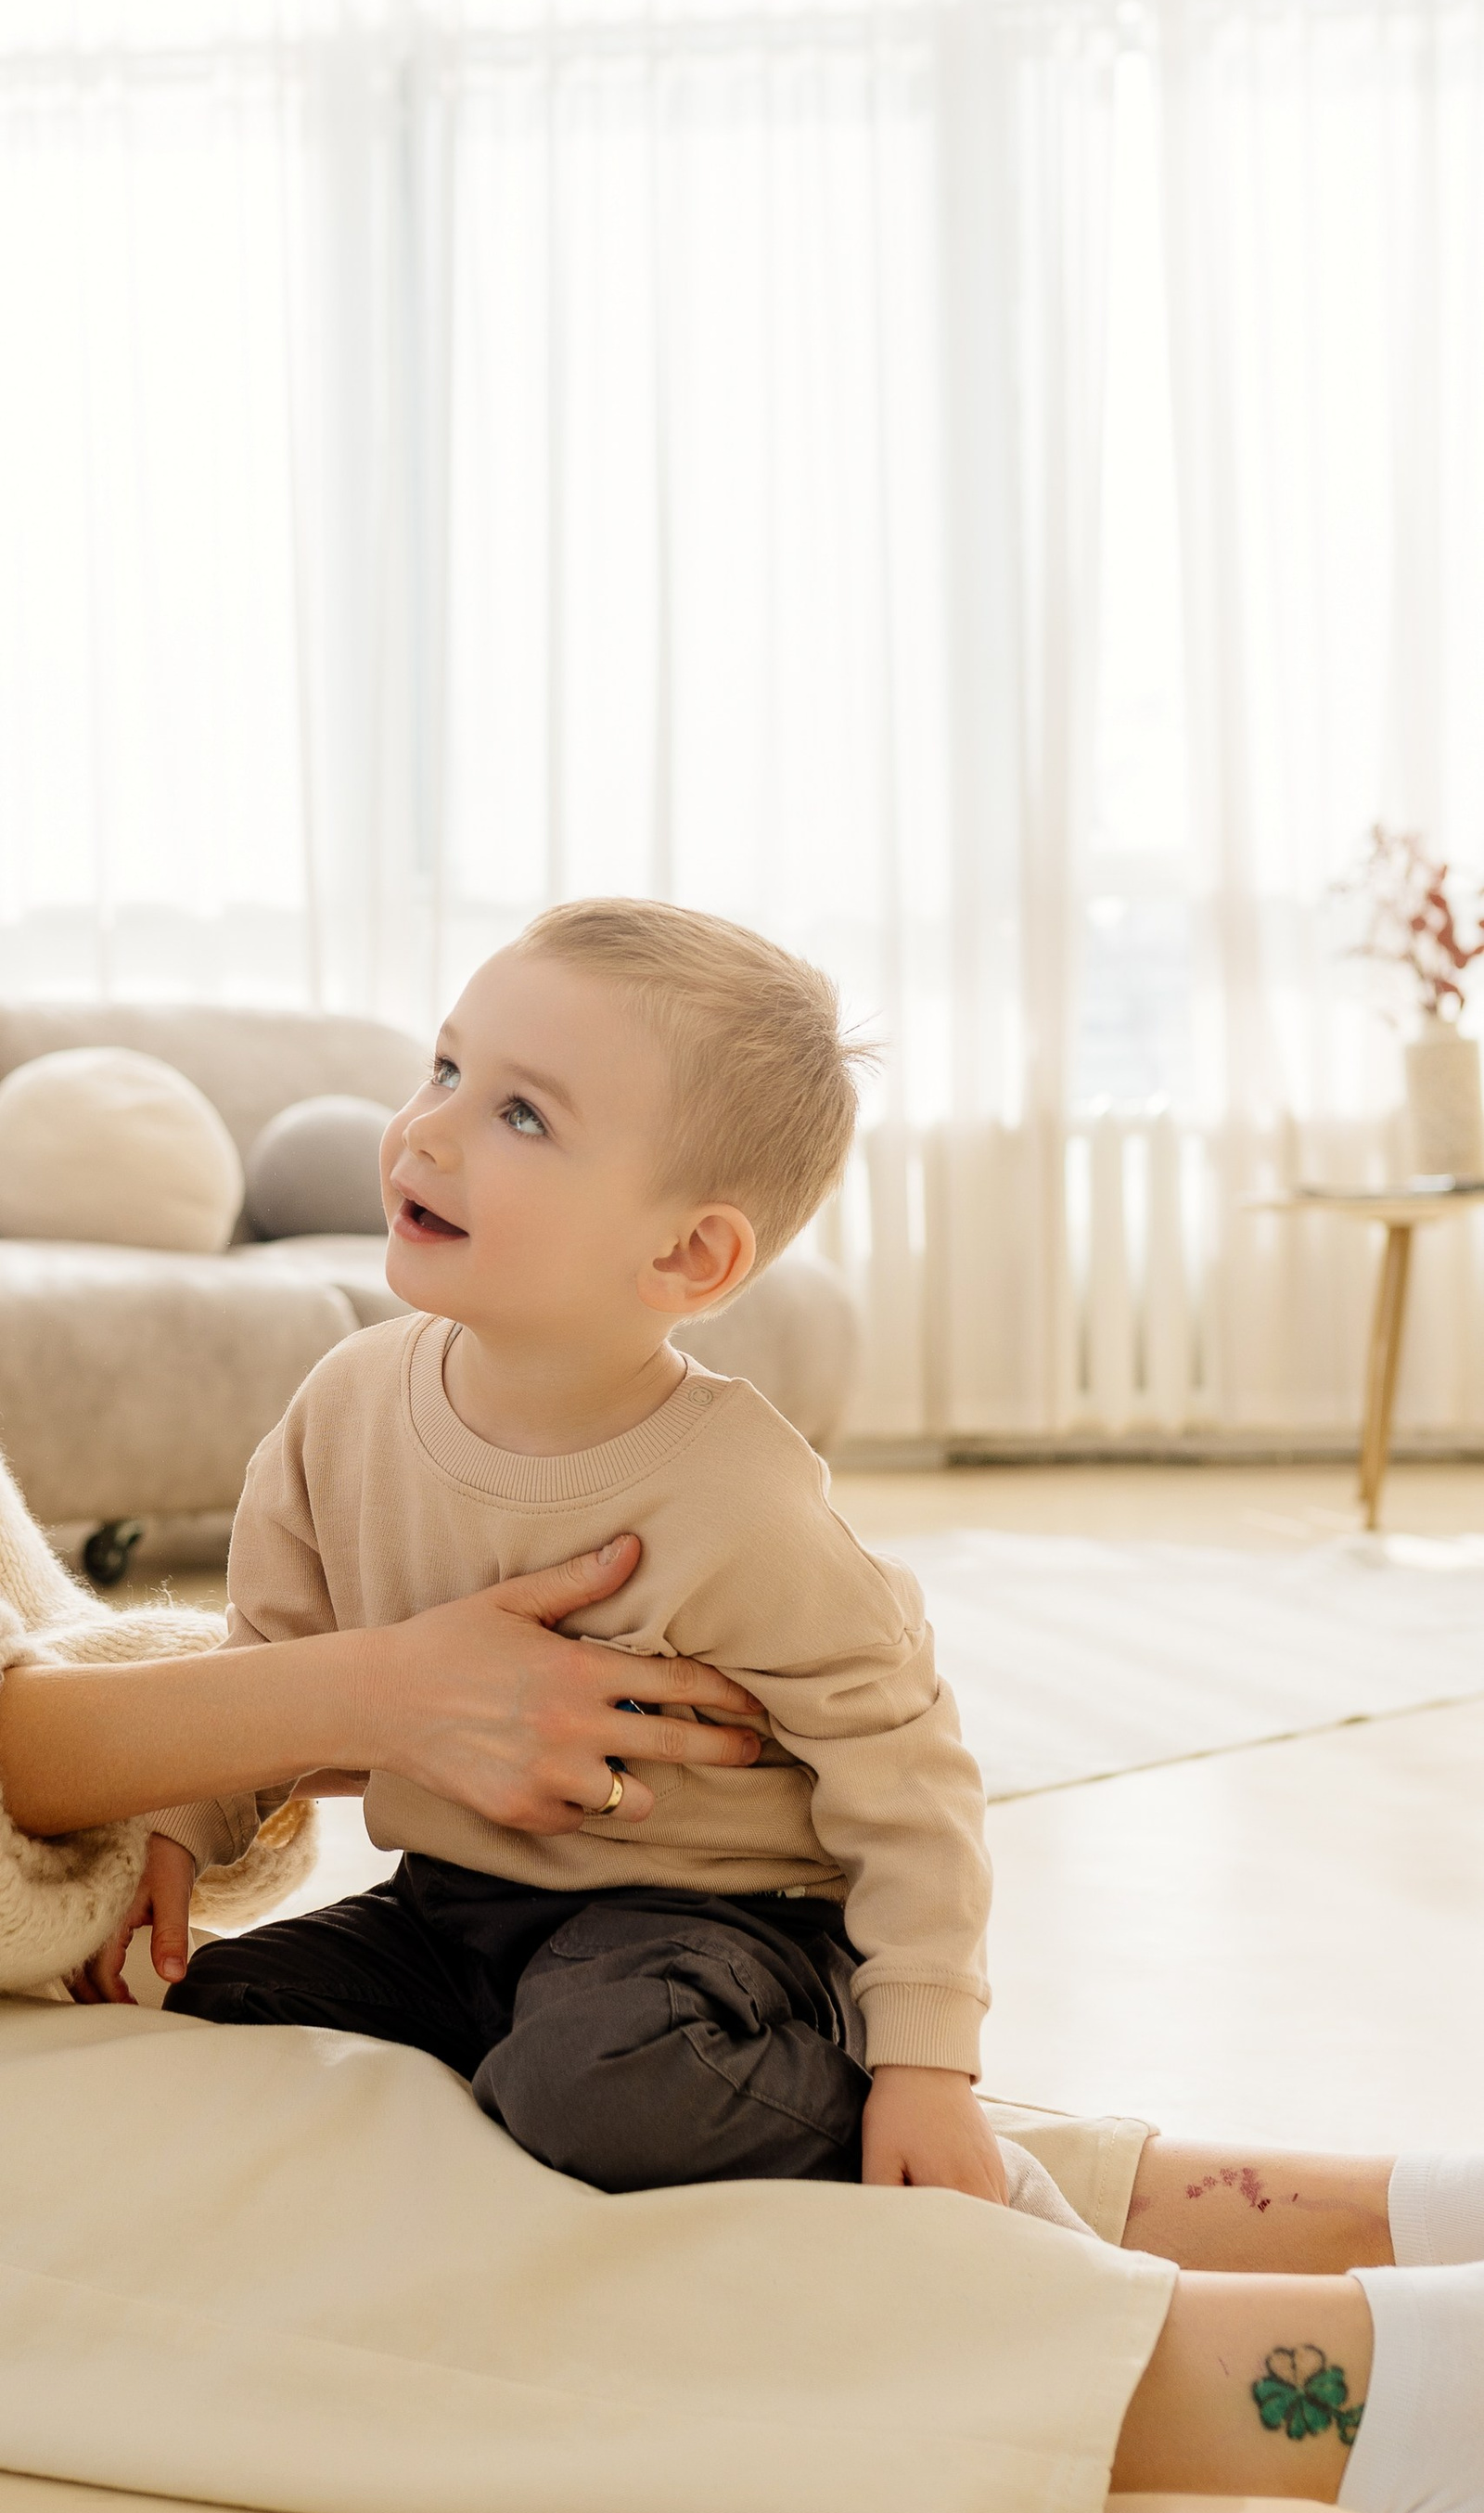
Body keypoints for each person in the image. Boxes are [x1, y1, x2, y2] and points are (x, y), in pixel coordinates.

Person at [0, 566, 1484, 2513]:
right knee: (305, 2190)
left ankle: (1347, 2208)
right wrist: (368, 1701)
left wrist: (206, 1786)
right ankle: (1342, 2404)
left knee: (570, 2076)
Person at [128, 903, 1064, 2225]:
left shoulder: (738, 1494)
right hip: (447, 1911)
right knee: (218, 2019)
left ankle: (878, 2151)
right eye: (446, 1069)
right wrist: (180, 1828)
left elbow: (903, 1770)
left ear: (688, 1254)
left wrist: (925, 2060)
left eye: (522, 1116)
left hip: (709, 1934)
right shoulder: (344, 1405)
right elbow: (277, 1666)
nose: (430, 1128)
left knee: (598, 2077)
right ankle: (507, 2125)